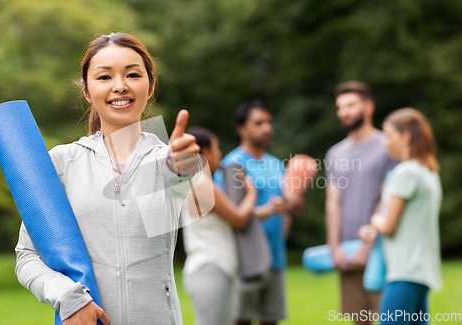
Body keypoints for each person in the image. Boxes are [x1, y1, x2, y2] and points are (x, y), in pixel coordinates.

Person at [15, 32, 201, 325]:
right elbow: (27, 256)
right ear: (86, 90)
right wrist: (70, 299)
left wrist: (181, 167)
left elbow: (180, 178)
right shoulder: (61, 163)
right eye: (104, 77)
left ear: (150, 86)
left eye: (133, 74)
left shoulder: (168, 160)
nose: (120, 86)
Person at [214, 98, 303, 325]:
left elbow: (289, 208)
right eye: (258, 122)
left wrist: (292, 202)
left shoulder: (275, 164)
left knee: (270, 320)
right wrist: (268, 209)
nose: (267, 128)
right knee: (241, 320)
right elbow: (227, 213)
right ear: (241, 129)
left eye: (268, 122)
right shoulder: (232, 165)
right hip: (246, 259)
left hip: (276, 258)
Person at [359, 108, 442, 325]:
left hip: (405, 271)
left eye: (389, 135)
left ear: (405, 137)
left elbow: (388, 226)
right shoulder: (428, 172)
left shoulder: (405, 172)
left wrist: (374, 222)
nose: (385, 142)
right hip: (420, 270)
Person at [324, 81, 397, 324]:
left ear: (368, 106)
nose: (344, 112)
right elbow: (333, 203)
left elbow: (389, 198)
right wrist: (334, 246)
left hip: (383, 250)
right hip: (347, 253)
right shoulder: (335, 153)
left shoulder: (389, 146)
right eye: (340, 107)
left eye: (351, 105)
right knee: (359, 320)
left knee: (389, 317)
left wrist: (369, 244)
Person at [182, 126, 257, 325]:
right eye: (217, 148)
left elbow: (229, 216)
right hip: (210, 269)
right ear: (206, 152)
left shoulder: (195, 182)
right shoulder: (202, 183)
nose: (220, 155)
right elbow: (240, 219)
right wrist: (252, 193)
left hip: (210, 270)